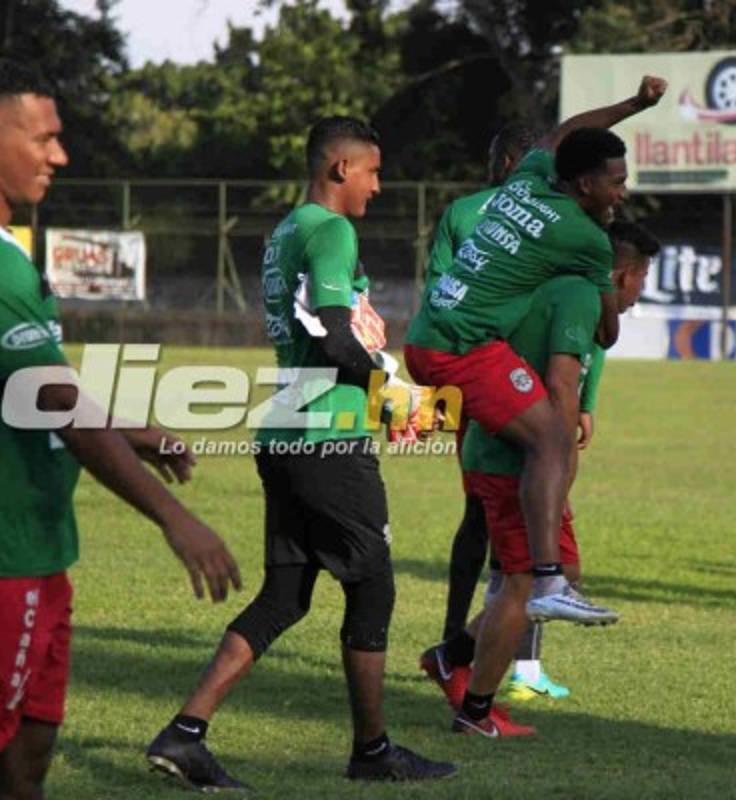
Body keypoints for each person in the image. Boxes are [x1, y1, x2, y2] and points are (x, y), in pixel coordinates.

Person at [145, 117, 454, 789]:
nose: (378, 186)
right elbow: (340, 341)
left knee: (286, 596)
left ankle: (184, 734)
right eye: (372, 171)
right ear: (340, 168)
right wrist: (394, 399)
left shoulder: (286, 230)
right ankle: (372, 753)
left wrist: (383, 390)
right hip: (327, 439)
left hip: (286, 430)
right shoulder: (333, 230)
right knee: (372, 588)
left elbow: (321, 337)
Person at [0, 59, 242, 800]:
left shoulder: (9, 253)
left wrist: (130, 428)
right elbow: (54, 397)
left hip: (38, 544)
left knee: (31, 750)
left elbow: (30, 388)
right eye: (45, 138)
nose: (60, 156)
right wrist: (174, 518)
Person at [404, 76, 666, 625]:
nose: (623, 193)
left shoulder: (525, 177)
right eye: (616, 183)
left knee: (523, 457)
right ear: (586, 183)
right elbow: (607, 333)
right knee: (552, 438)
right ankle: (548, 578)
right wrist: (612, 285)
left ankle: (512, 596)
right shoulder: (588, 240)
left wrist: (635, 105)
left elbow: (569, 130)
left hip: (436, 330)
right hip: (459, 347)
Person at [423, 221, 657, 737]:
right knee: (525, 584)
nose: (640, 292)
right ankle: (476, 711)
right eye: (642, 279)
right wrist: (559, 463)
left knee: (558, 569)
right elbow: (559, 385)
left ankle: (452, 657)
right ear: (624, 273)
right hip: (515, 459)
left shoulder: (554, 287)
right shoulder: (575, 294)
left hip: (512, 453)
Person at [425, 123, 599, 701]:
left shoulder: (471, 211)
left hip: (476, 369)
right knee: (524, 546)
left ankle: (462, 649)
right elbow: (583, 330)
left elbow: (442, 289)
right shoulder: (560, 221)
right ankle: (492, 671)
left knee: (485, 524)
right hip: (493, 371)